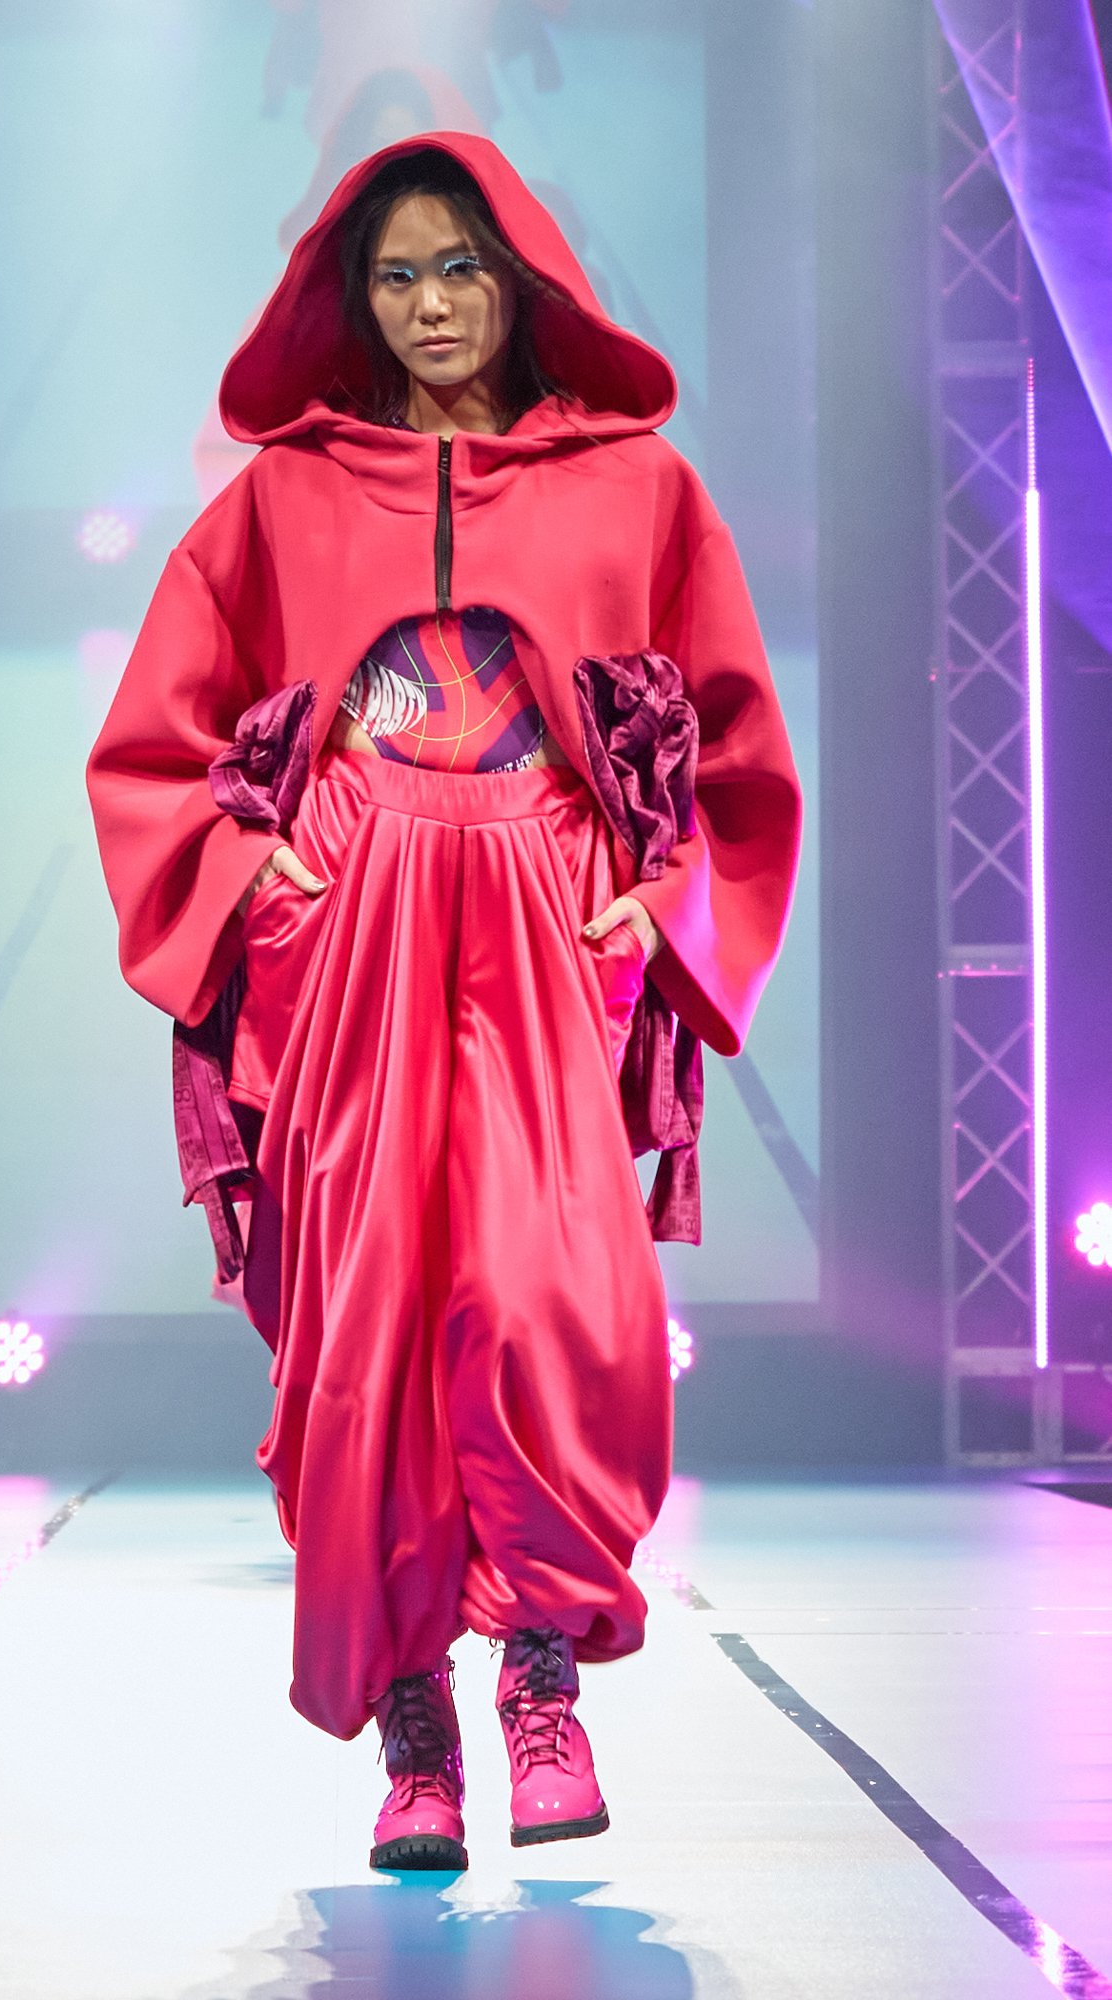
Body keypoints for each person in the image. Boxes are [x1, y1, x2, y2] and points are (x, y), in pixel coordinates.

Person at [87, 134, 801, 1873]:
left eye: (461, 268)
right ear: (358, 297)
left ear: (523, 280)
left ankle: (541, 1683)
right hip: (353, 924)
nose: (430, 306)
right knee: (367, 1331)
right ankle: (418, 1741)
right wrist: (254, 874)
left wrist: (662, 899)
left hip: (548, 914)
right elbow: (155, 745)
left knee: (551, 1299)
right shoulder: (284, 495)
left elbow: (732, 738)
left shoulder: (637, 485)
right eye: (396, 275)